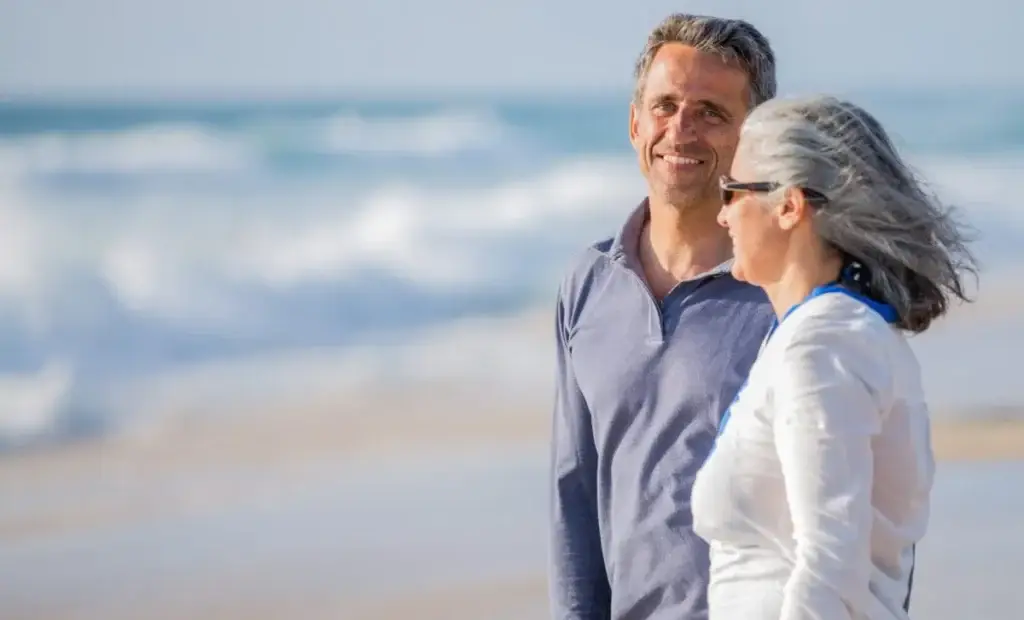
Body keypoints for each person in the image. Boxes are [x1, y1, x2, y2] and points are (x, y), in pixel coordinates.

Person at [691, 95, 977, 619]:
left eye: (733, 191)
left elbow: (831, 568)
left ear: (789, 205)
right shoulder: (826, 335)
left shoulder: (823, 346)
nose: (723, 213)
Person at [548, 14, 779, 620]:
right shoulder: (588, 284)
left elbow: (856, 510)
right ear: (633, 124)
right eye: (665, 105)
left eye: (710, 111)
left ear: (753, 139)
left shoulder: (788, 291)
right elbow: (573, 491)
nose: (681, 129)